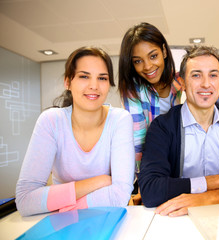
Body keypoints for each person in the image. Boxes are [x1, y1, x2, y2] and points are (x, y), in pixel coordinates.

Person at [15, 47, 135, 217]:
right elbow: (25, 200)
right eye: (84, 76)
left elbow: (120, 195)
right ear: (68, 82)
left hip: (105, 218)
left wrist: (64, 205)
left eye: (102, 78)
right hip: (61, 225)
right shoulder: (51, 121)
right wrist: (101, 181)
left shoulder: (120, 120)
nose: (94, 86)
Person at [138, 46, 219, 217]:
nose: (206, 83)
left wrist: (209, 197)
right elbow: (151, 191)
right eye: (196, 75)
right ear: (182, 82)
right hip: (175, 219)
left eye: (213, 75)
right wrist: (212, 182)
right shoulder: (162, 127)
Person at [118, 22, 183, 174]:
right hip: (155, 164)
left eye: (153, 56)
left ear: (164, 52)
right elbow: (139, 140)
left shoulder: (181, 80)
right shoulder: (132, 90)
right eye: (138, 61)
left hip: (184, 160)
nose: (147, 66)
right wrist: (146, 177)